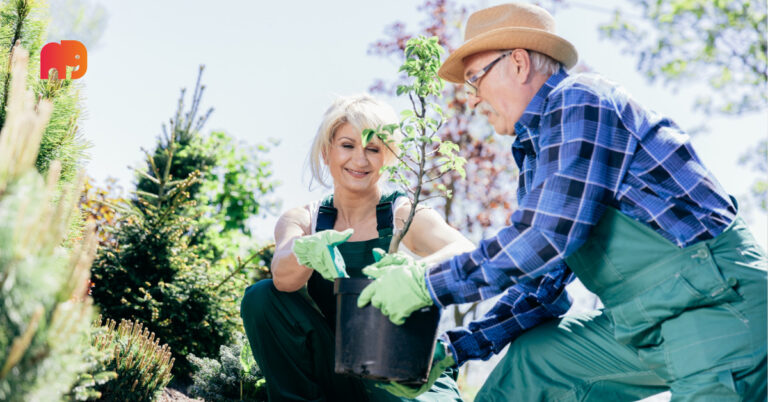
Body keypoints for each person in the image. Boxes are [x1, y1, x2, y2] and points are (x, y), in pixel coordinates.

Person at [357, 3, 767, 401]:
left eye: (474, 80)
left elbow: (545, 237)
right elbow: (542, 285)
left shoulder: (580, 100)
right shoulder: (537, 156)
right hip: (644, 322)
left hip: (716, 304)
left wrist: (426, 284)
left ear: (518, 63)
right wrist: (453, 349)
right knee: (536, 363)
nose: (472, 99)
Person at [240, 94, 474, 401]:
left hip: (399, 368)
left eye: (373, 149)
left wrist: (417, 270)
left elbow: (465, 250)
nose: (360, 160)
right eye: (347, 145)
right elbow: (283, 278)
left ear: (387, 156)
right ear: (327, 152)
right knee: (261, 297)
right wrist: (306, 250)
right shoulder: (305, 219)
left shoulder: (402, 214)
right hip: (338, 367)